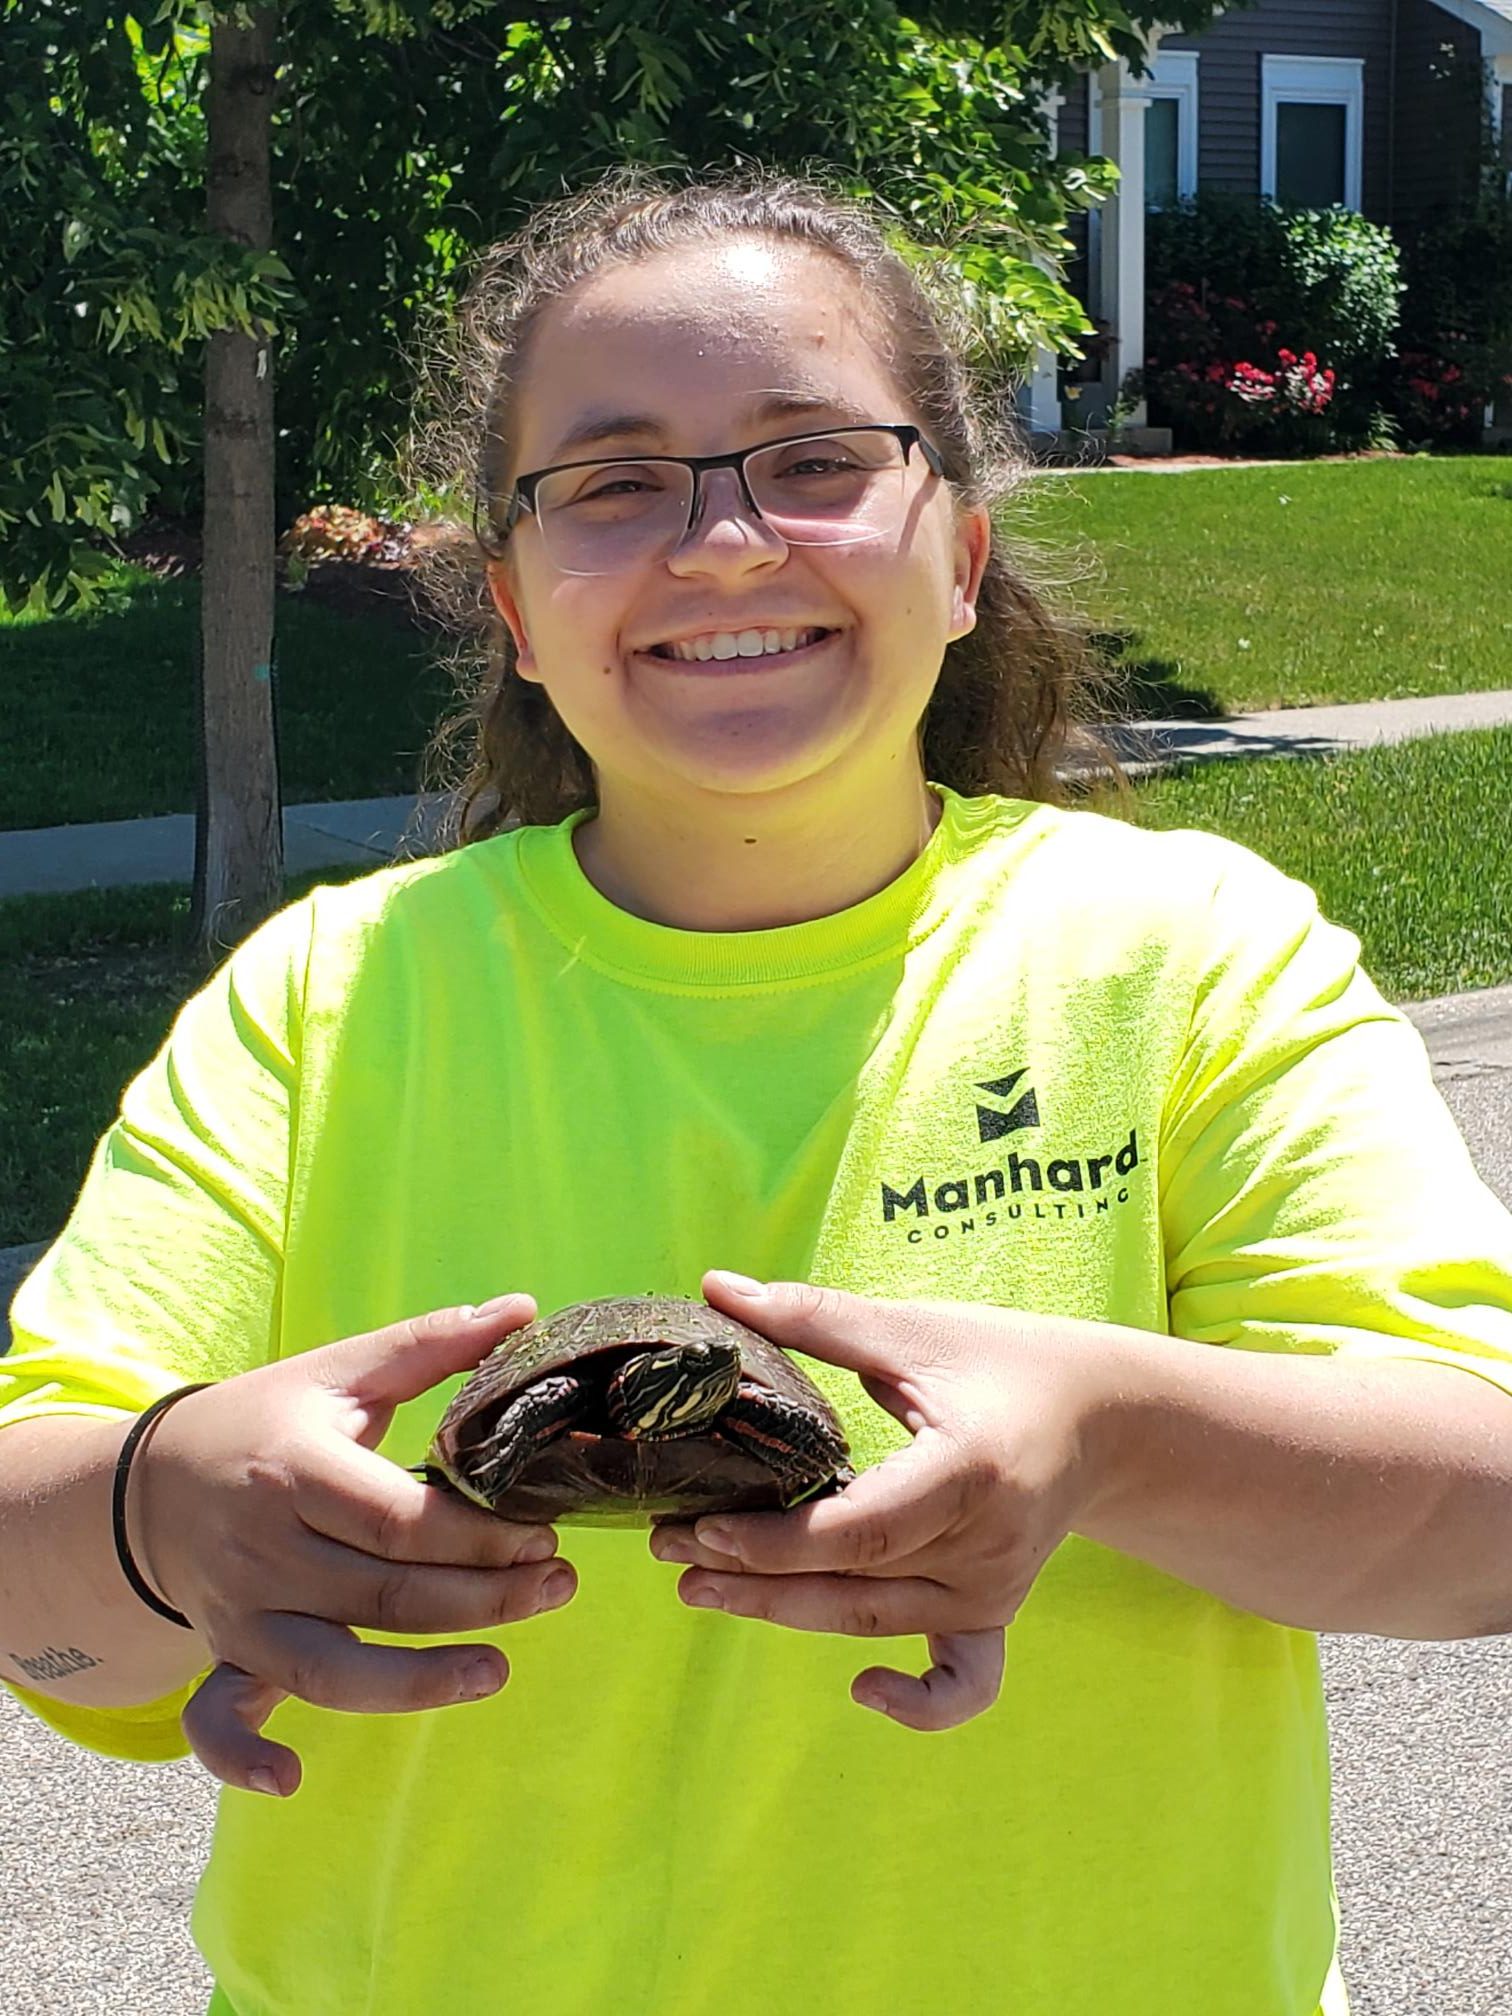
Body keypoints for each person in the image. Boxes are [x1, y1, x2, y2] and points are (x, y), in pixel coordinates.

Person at [3, 164, 1512, 2016]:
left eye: (814, 460)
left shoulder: (1186, 953)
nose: (723, 544)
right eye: (615, 484)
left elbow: (1481, 1519)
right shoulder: (328, 1002)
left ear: (958, 558)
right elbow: (40, 1592)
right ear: (518, 609)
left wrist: (1106, 1431)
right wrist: (165, 1511)